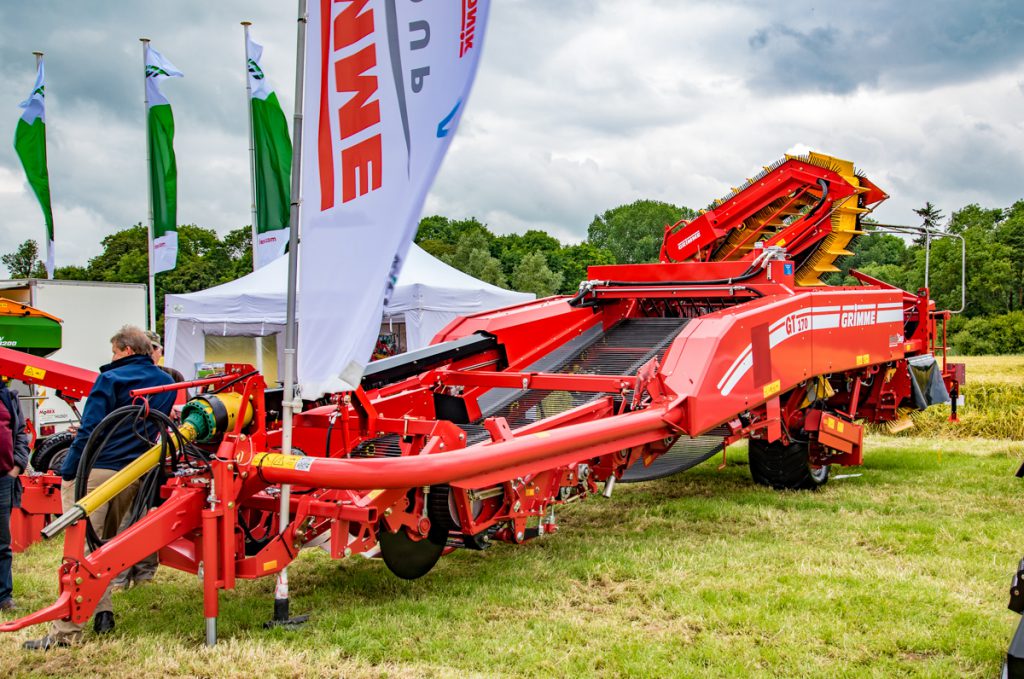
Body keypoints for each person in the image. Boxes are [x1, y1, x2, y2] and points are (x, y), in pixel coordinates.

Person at [23, 325, 175, 650]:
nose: (112, 357)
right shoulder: (167, 382)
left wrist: (69, 470)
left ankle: (65, 633)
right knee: (105, 549)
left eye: (115, 351)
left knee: (79, 554)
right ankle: (103, 613)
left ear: (126, 349)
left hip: (96, 474)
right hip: (134, 475)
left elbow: (89, 429)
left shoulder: (109, 380)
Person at [109, 330, 183, 591]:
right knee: (126, 521)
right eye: (149, 347)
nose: (153, 352)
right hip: (133, 460)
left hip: (155, 461)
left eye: (156, 347)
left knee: (146, 519)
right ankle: (119, 577)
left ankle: (144, 575)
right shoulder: (124, 379)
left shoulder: (171, 378)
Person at [0, 380, 29, 613]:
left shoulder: (8, 397)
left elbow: (20, 433)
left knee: (1, 542)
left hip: (3, 478)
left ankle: (3, 597)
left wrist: (16, 467)